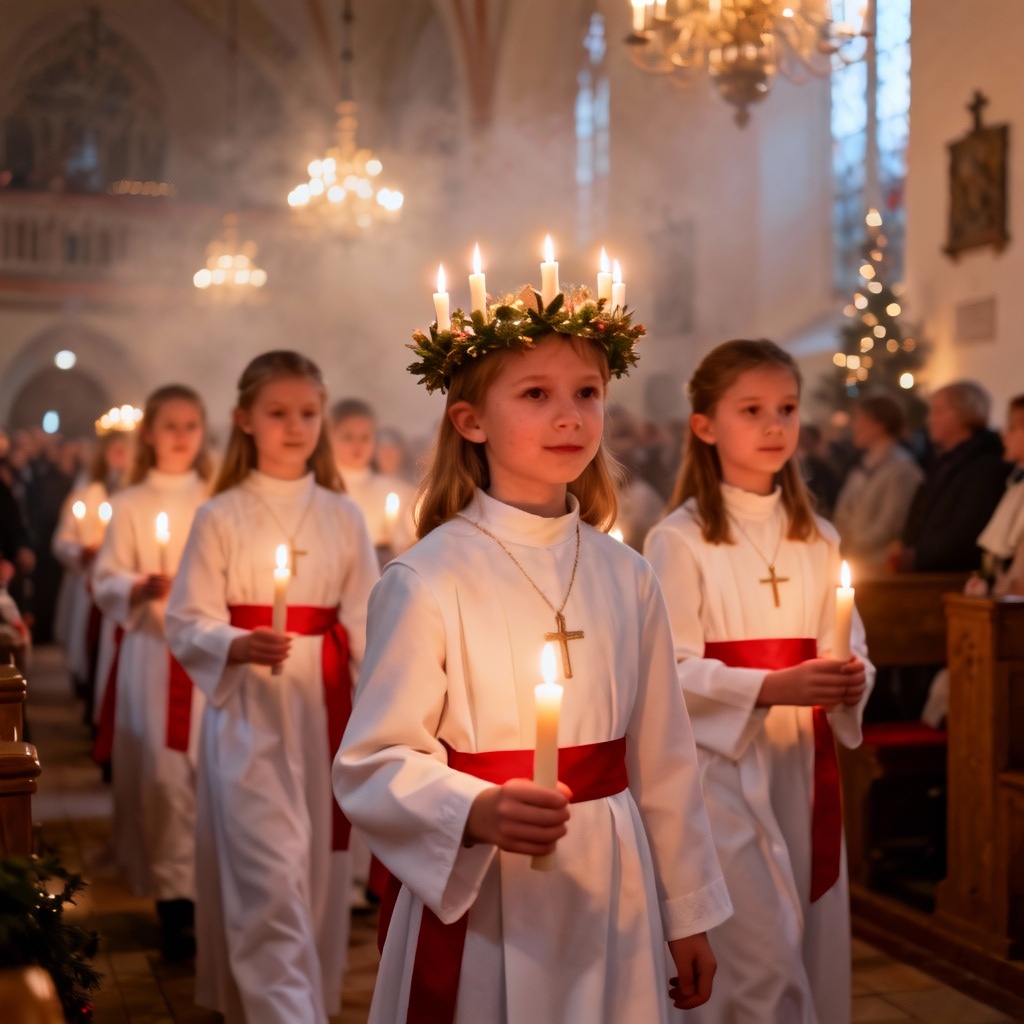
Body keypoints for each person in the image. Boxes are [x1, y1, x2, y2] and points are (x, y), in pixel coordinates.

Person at [334, 284, 731, 1024]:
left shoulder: (627, 573)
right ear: (471, 419)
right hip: (491, 890)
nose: (569, 415)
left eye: (588, 392)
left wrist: (689, 912)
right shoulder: (427, 577)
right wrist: (474, 808)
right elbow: (373, 761)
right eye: (537, 394)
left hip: (614, 876)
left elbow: (667, 762)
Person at [644, 339, 873, 1024]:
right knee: (756, 954)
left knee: (804, 934)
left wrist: (851, 680)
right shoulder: (678, 540)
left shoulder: (819, 536)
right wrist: (770, 689)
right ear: (705, 425)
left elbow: (850, 642)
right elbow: (665, 676)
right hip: (719, 772)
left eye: (787, 409)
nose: (776, 426)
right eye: (752, 410)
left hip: (801, 764)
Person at [166, 351, 379, 1024]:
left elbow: (370, 623)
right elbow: (186, 618)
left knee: (315, 879)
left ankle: (300, 1006)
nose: (295, 428)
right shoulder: (221, 514)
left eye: (308, 414)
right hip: (250, 719)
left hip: (323, 718)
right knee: (268, 882)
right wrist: (234, 642)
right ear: (245, 421)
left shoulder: (343, 517)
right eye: (278, 414)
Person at [91, 385, 211, 961]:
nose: (182, 436)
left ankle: (210, 894)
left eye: (192, 425)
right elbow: (105, 577)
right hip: (154, 654)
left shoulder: (219, 496)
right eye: (171, 425)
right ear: (150, 435)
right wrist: (137, 585)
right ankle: (175, 903)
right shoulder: (132, 501)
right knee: (164, 780)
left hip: (211, 658)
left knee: (209, 776)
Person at [891, 380, 1008, 572]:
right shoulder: (943, 463)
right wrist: (905, 545)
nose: (929, 420)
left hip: (952, 575)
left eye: (938, 411)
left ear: (965, 413)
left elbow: (967, 532)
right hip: (925, 570)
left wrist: (918, 556)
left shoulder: (985, 468)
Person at [52, 431, 131, 704]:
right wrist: (80, 550)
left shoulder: (134, 496)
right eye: (115, 449)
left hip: (122, 587)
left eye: (126, 449)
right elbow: (62, 540)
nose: (121, 455)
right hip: (86, 582)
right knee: (89, 648)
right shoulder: (85, 494)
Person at [833, 392, 924, 573]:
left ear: (880, 424)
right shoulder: (861, 467)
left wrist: (853, 546)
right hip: (853, 560)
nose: (854, 426)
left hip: (879, 566)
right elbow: (843, 511)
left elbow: (891, 525)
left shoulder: (903, 470)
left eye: (860, 419)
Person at [328, 398, 417, 558]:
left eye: (365, 437)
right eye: (348, 437)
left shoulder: (396, 491)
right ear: (329, 437)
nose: (358, 445)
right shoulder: (322, 488)